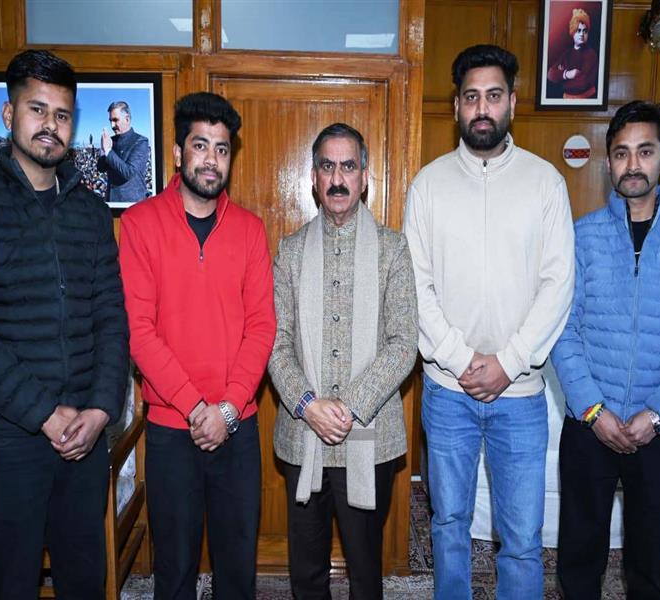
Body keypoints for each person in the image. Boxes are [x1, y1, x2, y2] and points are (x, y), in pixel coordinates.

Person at [0, 50, 129, 599]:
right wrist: (43, 413)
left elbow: (112, 317)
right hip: (10, 440)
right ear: (8, 113)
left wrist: (101, 409)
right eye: (37, 110)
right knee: (12, 583)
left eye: (61, 115)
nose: (50, 125)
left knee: (85, 579)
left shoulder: (90, 212)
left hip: (85, 437)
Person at [403, 44, 575, 599]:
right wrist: (460, 360)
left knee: (522, 540)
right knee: (449, 524)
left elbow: (558, 285)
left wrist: (507, 362)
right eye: (472, 96)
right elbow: (415, 288)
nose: (482, 108)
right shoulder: (428, 185)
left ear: (512, 103)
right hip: (446, 390)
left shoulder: (545, 183)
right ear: (456, 105)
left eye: (493, 96)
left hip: (520, 394)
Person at [551, 101, 660, 599]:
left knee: (649, 565)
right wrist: (594, 410)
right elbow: (562, 330)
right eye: (622, 153)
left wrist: (658, 414)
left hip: (659, 430)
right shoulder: (581, 236)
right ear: (608, 163)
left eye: (644, 152)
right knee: (578, 558)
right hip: (589, 425)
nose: (633, 164)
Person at [118, 92, 276, 600]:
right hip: (171, 430)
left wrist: (226, 409)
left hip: (238, 426)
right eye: (201, 145)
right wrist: (194, 406)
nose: (211, 159)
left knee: (237, 571)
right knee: (175, 569)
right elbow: (139, 331)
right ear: (178, 152)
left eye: (222, 149)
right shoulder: (140, 224)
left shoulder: (250, 230)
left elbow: (262, 328)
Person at [269, 122, 418, 599]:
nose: (337, 178)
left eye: (348, 167)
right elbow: (275, 342)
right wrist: (309, 404)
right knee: (306, 570)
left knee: (365, 571)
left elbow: (404, 342)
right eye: (327, 167)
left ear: (364, 177)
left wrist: (349, 406)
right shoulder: (290, 251)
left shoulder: (393, 249)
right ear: (314, 178)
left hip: (369, 439)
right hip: (303, 434)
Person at [98, 100, 150, 203]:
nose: (112, 125)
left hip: (131, 203)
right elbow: (100, 168)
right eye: (110, 121)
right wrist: (103, 150)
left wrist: (108, 151)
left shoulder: (140, 141)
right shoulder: (111, 141)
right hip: (111, 201)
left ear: (127, 119)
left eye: (115, 120)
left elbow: (129, 172)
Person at [546, 9, 599, 99]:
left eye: (585, 31)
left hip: (585, 99)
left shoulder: (591, 54)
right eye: (578, 30)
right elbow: (550, 74)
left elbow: (582, 84)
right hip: (566, 99)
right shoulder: (566, 54)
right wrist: (568, 74)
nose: (582, 34)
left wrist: (561, 77)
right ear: (572, 32)